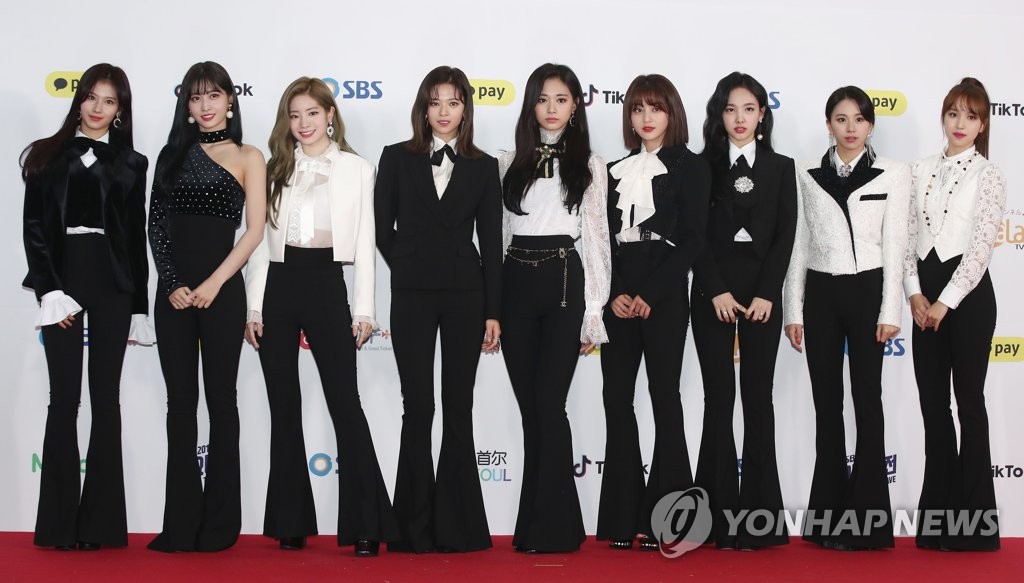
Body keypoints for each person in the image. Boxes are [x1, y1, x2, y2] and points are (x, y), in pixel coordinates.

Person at [244, 76, 397, 557]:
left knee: (345, 403)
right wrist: (254, 305)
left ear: (330, 114)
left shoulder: (357, 168)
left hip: (327, 283)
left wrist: (365, 308)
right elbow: (258, 244)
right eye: (295, 115)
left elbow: (367, 242)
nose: (303, 123)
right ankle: (289, 522)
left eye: (312, 112)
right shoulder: (274, 168)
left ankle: (367, 524)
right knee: (283, 406)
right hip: (277, 287)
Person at [22, 63, 149, 550]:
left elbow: (134, 238)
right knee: (64, 400)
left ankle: (101, 526)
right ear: (79, 101)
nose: (98, 108)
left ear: (120, 111)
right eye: (92, 97)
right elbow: (34, 228)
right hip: (64, 280)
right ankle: (58, 525)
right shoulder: (46, 155)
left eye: (109, 101)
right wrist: (51, 292)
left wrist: (139, 306)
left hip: (113, 284)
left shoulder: (133, 163)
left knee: (106, 399)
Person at [374, 65, 502, 553]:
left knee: (458, 405)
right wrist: (410, 263)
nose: (444, 112)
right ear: (422, 109)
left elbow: (492, 243)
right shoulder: (395, 157)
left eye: (453, 102)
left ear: (465, 108)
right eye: (435, 102)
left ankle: (458, 527)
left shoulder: (483, 167)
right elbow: (381, 229)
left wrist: (494, 311)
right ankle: (412, 528)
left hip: (466, 296)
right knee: (418, 407)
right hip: (411, 295)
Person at [783, 86, 910, 551]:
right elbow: (798, 245)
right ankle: (827, 518)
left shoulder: (892, 173)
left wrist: (890, 309)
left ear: (871, 125)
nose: (850, 128)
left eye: (859, 119)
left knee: (867, 401)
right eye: (841, 119)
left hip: (867, 292)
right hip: (820, 293)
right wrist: (793, 310)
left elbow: (896, 245)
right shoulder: (806, 174)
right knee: (827, 405)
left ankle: (868, 522)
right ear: (828, 124)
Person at [148, 61, 266, 552]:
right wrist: (172, 283)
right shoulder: (170, 155)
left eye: (213, 95)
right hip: (173, 296)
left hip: (222, 293)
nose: (205, 105)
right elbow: (156, 226)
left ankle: (219, 525)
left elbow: (254, 232)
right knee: (180, 405)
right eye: (195, 97)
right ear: (187, 106)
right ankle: (180, 524)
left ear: (230, 100)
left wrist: (215, 282)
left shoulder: (248, 156)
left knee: (221, 401)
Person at [499, 63, 610, 553]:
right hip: (515, 282)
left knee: (549, 404)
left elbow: (598, 239)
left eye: (561, 99)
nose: (551, 108)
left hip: (565, 281)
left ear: (575, 106)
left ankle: (558, 527)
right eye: (543, 99)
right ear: (531, 105)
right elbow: (499, 235)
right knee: (531, 411)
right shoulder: (507, 162)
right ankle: (535, 526)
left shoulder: (591, 164)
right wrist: (492, 306)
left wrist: (594, 310)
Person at [596, 74, 709, 551]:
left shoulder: (693, 166)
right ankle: (623, 518)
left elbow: (695, 239)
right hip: (620, 293)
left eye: (656, 108)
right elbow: (602, 241)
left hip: (665, 292)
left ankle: (669, 519)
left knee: (665, 398)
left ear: (672, 113)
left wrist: (653, 292)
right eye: (638, 109)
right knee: (616, 400)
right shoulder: (613, 169)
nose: (646, 118)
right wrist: (615, 292)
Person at [691, 72, 796, 550]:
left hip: (762, 300)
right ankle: (714, 519)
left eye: (749, 109)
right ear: (719, 115)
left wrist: (768, 293)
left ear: (762, 114)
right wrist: (714, 289)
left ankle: (760, 520)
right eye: (730, 109)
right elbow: (693, 235)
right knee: (718, 399)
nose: (739, 118)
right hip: (711, 297)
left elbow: (785, 236)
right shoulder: (700, 167)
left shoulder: (781, 168)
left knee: (758, 399)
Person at [905, 78, 1003, 552]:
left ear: (982, 125)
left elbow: (981, 248)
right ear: (943, 117)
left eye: (971, 116)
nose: (960, 123)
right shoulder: (918, 169)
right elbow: (906, 239)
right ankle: (938, 521)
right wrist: (914, 295)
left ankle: (976, 526)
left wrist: (945, 301)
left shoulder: (990, 175)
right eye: (953, 113)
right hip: (924, 302)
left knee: (969, 404)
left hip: (968, 302)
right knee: (932, 408)